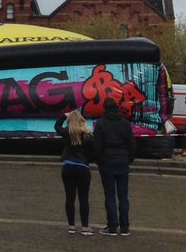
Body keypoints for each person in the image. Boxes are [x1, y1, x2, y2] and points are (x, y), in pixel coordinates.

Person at [93, 96, 136, 236]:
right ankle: (125, 226)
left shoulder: (100, 124)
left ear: (105, 108)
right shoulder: (125, 123)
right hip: (123, 160)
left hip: (107, 161)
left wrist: (99, 161)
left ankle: (112, 226)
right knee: (123, 195)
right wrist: (129, 159)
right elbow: (131, 144)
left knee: (109, 195)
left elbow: (97, 146)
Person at [54, 109, 95, 235]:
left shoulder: (67, 133)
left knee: (70, 197)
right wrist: (88, 160)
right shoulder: (88, 136)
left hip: (68, 166)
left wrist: (63, 116)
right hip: (83, 167)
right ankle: (85, 226)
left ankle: (71, 225)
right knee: (83, 198)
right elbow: (94, 151)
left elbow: (57, 126)